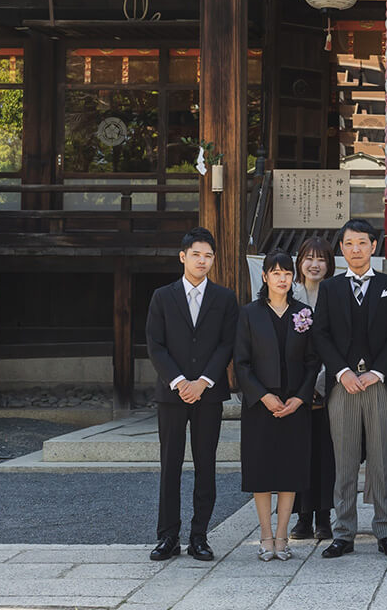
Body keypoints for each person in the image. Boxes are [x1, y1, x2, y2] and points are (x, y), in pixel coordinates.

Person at [311, 219, 387, 559]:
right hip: (344, 386)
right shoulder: (331, 288)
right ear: (342, 248)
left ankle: (385, 530)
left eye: (362, 243)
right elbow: (320, 334)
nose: (356, 249)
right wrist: (342, 372)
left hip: (378, 384)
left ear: (373, 247)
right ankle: (344, 532)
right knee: (345, 460)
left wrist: (377, 372)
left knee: (381, 460)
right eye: (349, 243)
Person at [145, 227, 239, 562]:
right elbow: (155, 345)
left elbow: (227, 343)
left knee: (206, 465)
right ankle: (167, 536)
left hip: (209, 394)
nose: (202, 260)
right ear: (183, 256)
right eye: (196, 254)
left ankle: (200, 536)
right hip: (172, 394)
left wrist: (203, 382)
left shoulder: (225, 298)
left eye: (208, 255)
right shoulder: (163, 296)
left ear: (214, 260)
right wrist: (181, 382)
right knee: (170, 465)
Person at [234, 252, 319, 561]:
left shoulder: (303, 313)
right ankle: (265, 535)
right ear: (265, 277)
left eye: (287, 273)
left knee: (290, 470)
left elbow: (313, 361)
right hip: (260, 406)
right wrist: (263, 396)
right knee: (262, 471)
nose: (282, 278)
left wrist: (299, 397)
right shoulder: (249, 314)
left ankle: (283, 537)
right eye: (276, 273)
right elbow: (241, 364)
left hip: (294, 404)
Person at [290, 236, 334, 542]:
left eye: (321, 259)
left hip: (330, 387)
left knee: (326, 454)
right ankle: (302, 517)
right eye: (309, 258)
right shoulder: (289, 296)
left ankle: (324, 516)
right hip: (296, 390)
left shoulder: (336, 294)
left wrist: (319, 384)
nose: (315, 264)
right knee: (299, 453)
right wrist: (304, 387)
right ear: (299, 262)